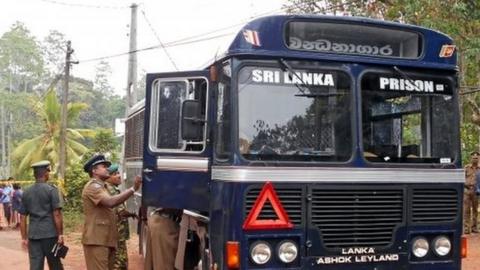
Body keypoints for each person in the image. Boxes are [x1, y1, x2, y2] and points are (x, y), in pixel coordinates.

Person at [81, 154, 141, 270]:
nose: (107, 169)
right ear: (94, 171)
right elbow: (110, 202)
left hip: (106, 239)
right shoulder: (93, 187)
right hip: (97, 240)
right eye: (103, 166)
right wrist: (133, 189)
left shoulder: (103, 187)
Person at [19, 160, 64, 270]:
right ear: (46, 173)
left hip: (33, 235)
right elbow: (57, 214)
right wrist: (60, 234)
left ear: (35, 175)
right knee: (55, 264)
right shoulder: (51, 190)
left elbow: (22, 217)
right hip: (50, 234)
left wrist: (24, 238)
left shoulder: (26, 192)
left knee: (35, 265)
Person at [105, 164, 137, 270]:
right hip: (117, 232)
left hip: (115, 232)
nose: (119, 176)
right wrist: (133, 214)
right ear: (108, 177)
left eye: (118, 173)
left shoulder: (110, 188)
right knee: (119, 262)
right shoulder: (111, 190)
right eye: (115, 174)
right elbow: (121, 212)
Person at [464, 151, 480, 234]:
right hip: (467, 190)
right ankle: (467, 228)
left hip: (476, 191)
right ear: (471, 158)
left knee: (475, 210)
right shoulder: (466, 168)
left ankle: (474, 227)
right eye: (473, 158)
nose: (475, 159)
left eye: (476, 158)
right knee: (466, 210)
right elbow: (462, 178)